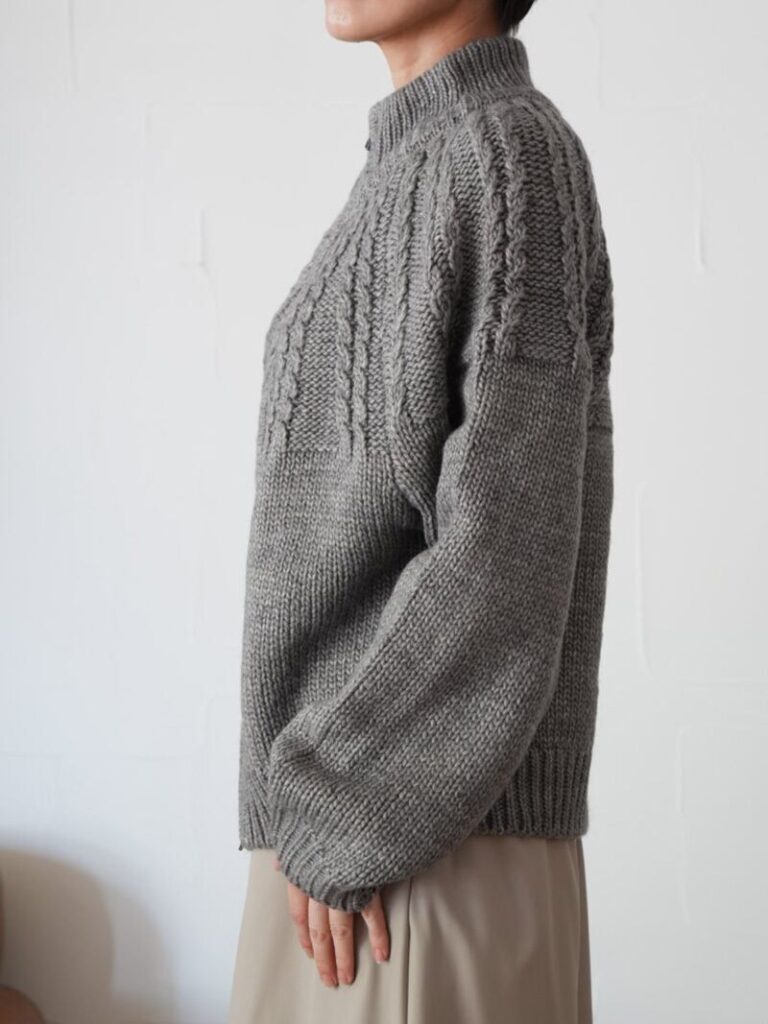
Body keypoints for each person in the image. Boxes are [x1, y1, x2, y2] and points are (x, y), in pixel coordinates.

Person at [227, 0, 615, 1020]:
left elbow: (509, 548)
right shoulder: (407, 160)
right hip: (342, 839)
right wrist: (315, 812)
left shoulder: (513, 151)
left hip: (417, 846)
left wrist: (342, 805)